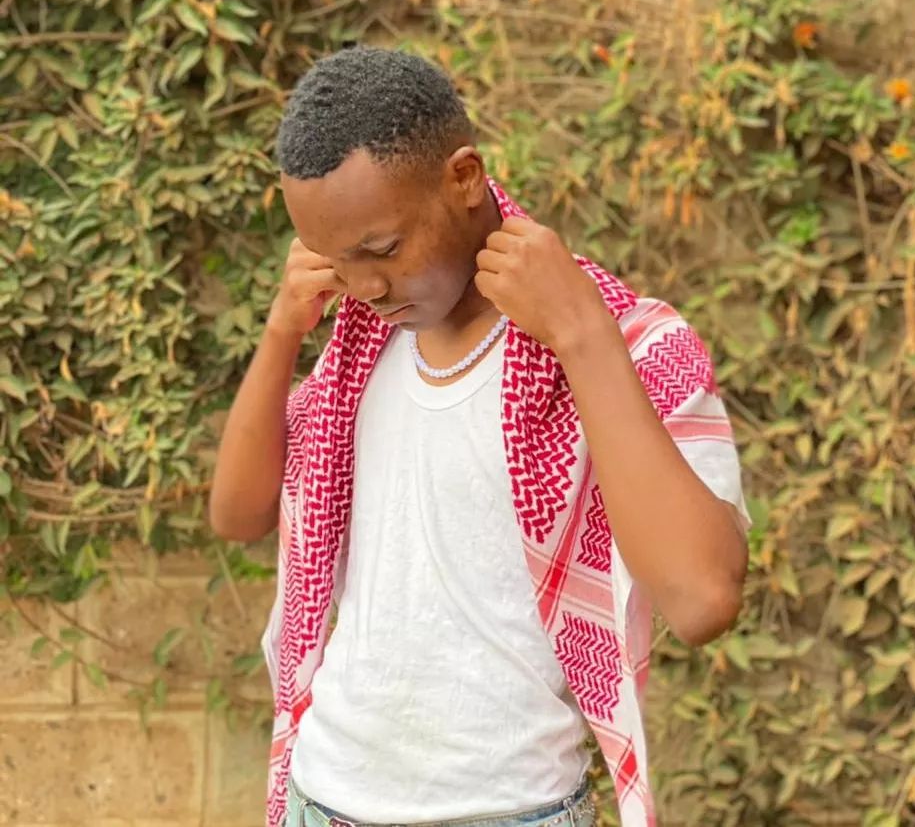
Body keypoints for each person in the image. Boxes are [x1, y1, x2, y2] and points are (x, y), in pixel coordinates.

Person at [208, 45, 751, 827]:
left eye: (381, 250)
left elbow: (702, 600)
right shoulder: (359, 346)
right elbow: (238, 515)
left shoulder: (624, 342)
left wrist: (581, 337)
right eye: (335, 260)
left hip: (509, 809)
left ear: (464, 177)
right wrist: (280, 333)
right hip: (321, 796)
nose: (362, 285)